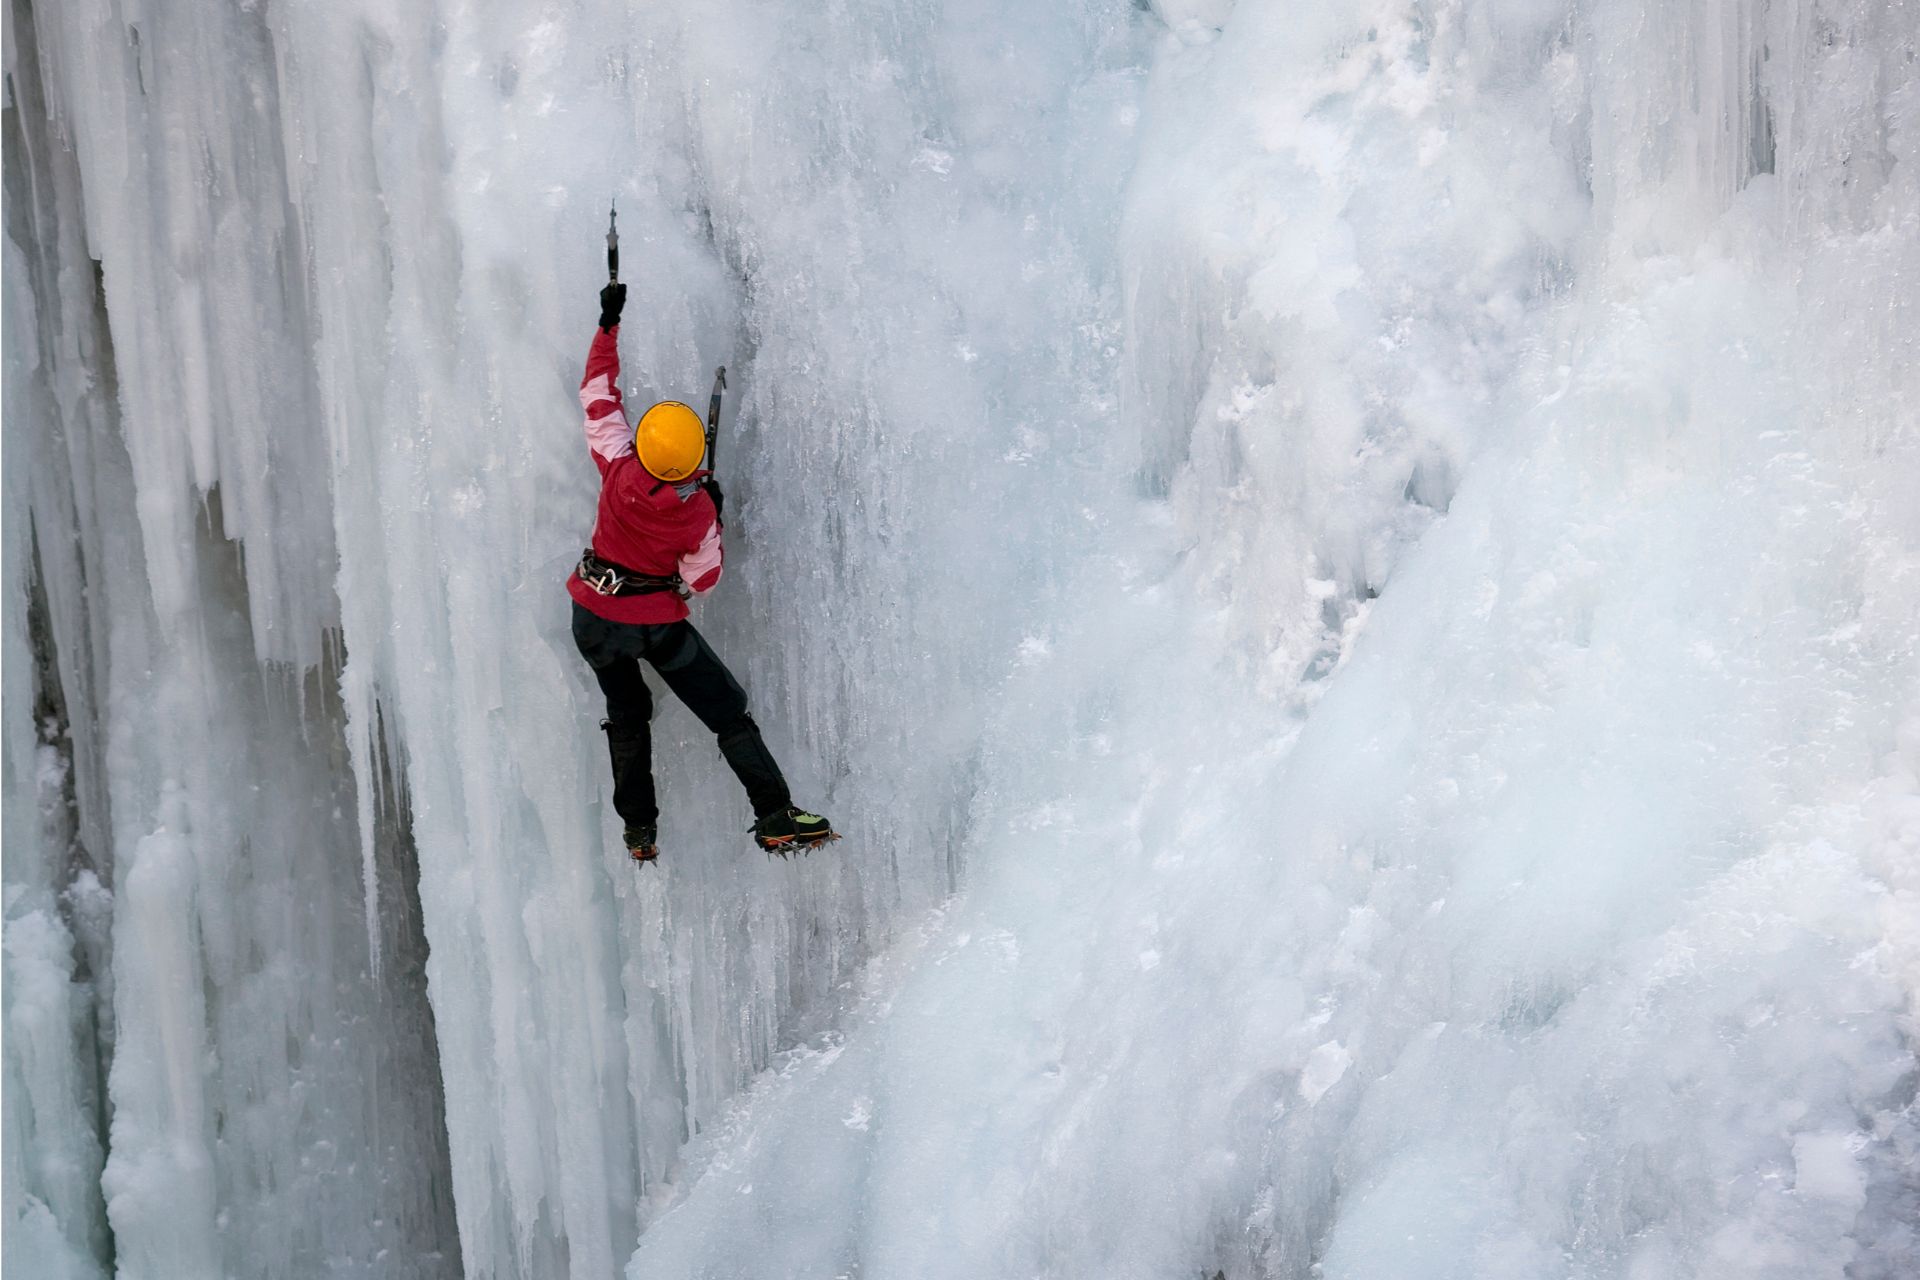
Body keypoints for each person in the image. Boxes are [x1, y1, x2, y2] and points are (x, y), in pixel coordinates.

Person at [569, 281, 834, 862]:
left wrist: (607, 324)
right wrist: (714, 509)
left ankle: (639, 831)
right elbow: (703, 579)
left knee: (627, 717)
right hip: (653, 624)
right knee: (725, 710)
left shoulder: (617, 464)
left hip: (591, 615)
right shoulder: (695, 517)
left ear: (642, 445)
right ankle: (774, 813)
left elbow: (597, 395)